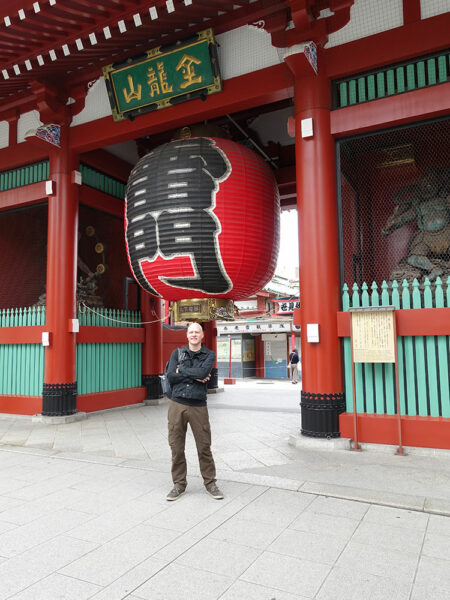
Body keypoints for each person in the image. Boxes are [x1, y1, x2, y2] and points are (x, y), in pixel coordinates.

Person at [165, 321, 224, 501]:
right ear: (187, 335)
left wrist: (182, 370)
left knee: (204, 446)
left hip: (198, 406)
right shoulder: (177, 353)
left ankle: (210, 483)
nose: (194, 335)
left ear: (202, 335)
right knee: (176, 446)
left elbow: (202, 373)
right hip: (177, 405)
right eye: (191, 332)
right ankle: (178, 485)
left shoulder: (209, 354)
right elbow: (170, 376)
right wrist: (193, 373)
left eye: (197, 332)